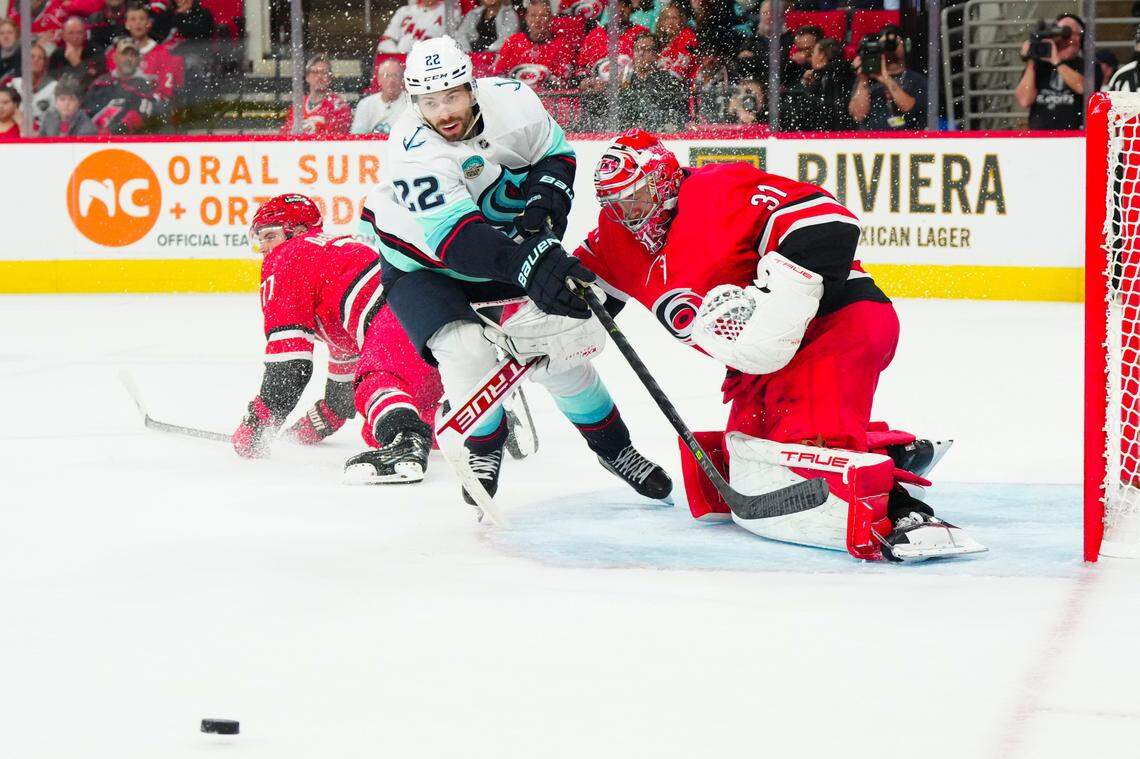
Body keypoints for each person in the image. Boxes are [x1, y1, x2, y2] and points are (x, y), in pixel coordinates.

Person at [574, 129, 985, 562]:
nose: (628, 212)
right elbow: (576, 291)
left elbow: (829, 223)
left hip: (836, 326)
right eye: (616, 202)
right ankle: (891, 450)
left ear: (664, 181)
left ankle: (907, 515)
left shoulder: (718, 189)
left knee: (808, 451)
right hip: (764, 361)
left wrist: (781, 310)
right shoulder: (617, 236)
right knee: (750, 455)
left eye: (636, 197)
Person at [367, 36, 671, 508]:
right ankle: (485, 446)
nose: (443, 111)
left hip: (497, 245)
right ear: (414, 102)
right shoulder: (412, 150)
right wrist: (528, 264)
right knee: (465, 353)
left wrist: (543, 211)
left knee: (561, 349)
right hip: (420, 262)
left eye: (451, 96)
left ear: (472, 87)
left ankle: (616, 450)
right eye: (429, 101)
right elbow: (457, 239)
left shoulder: (514, 99)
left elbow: (556, 156)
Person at [233, 193, 448, 484]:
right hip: (435, 312)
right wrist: (318, 421)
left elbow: (289, 367)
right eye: (259, 239)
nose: (264, 249)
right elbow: (342, 394)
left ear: (296, 232)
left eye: (270, 236)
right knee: (383, 421)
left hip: (398, 317)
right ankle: (471, 422)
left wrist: (258, 422)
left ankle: (406, 443)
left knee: (376, 383)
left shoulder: (287, 257)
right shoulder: (331, 258)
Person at [1015, 13, 1097, 130]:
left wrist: (1057, 61)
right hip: (1040, 138)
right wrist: (1032, 59)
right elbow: (1024, 101)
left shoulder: (1089, 65)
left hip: (1075, 138)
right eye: (1065, 33)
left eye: (1075, 34)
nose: (1071, 39)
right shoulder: (1039, 66)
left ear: (1082, 39)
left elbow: (1084, 88)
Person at [849, 24, 926, 131]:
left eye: (895, 43)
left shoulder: (917, 79)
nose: (890, 47)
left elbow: (909, 109)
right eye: (885, 44)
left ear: (906, 46)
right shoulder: (865, 78)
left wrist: (886, 79)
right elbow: (858, 115)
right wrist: (863, 81)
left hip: (904, 141)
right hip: (870, 141)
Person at [104, 2, 181, 103]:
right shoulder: (115, 53)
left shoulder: (163, 53)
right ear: (126, 24)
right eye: (133, 19)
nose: (138, 23)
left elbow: (165, 93)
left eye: (142, 19)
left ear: (148, 23)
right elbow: (109, 85)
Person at [613, 31, 687, 131]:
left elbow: (678, 116)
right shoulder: (625, 80)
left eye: (646, 49)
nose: (640, 53)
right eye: (637, 49)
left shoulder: (668, 80)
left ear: (656, 54)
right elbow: (617, 115)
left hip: (659, 134)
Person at [83, 37, 160, 132]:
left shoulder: (148, 87)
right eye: (124, 54)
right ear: (115, 57)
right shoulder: (100, 83)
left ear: (139, 59)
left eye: (133, 55)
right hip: (96, 142)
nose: (128, 59)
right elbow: (85, 115)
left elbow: (153, 121)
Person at [493, 0, 575, 88]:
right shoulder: (513, 42)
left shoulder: (561, 45)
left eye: (543, 16)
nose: (538, 20)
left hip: (548, 98)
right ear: (526, 17)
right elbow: (498, 75)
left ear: (551, 18)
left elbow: (564, 81)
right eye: (533, 15)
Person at [785, 37, 855, 130]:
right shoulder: (846, 71)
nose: (811, 57)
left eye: (813, 52)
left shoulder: (828, 76)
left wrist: (807, 85)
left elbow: (819, 107)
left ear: (822, 55)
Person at [280, 53, 352, 135]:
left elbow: (336, 138)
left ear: (330, 78)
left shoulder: (338, 106)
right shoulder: (298, 104)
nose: (319, 76)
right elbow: (286, 134)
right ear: (307, 77)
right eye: (315, 72)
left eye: (324, 72)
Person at [9, 43, 57, 134]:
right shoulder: (14, 83)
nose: (36, 60)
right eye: (32, 57)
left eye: (40, 58)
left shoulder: (54, 87)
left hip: (43, 135)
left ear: (45, 63)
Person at [352, 57, 407, 135]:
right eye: (386, 75)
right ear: (379, 79)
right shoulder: (365, 104)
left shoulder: (412, 104)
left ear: (402, 79)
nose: (391, 80)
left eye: (395, 75)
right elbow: (357, 137)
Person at [49, 16, 106, 89]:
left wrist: (78, 63)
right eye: (71, 33)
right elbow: (51, 79)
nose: (75, 37)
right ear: (63, 35)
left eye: (79, 32)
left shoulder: (96, 51)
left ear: (85, 34)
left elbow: (96, 79)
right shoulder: (57, 54)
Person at [377, 0, 444, 54]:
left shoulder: (450, 13)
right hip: (401, 64)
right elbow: (385, 41)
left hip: (432, 62)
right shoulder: (404, 11)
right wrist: (399, 56)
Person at [452, 0, 518, 53]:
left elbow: (506, 39)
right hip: (471, 53)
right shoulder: (474, 13)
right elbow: (461, 34)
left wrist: (487, 53)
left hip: (495, 56)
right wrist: (466, 51)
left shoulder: (509, 15)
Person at [0, 19, 19, 86]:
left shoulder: (23, 55)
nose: (5, 36)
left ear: (16, 34)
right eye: (2, 33)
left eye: (9, 32)